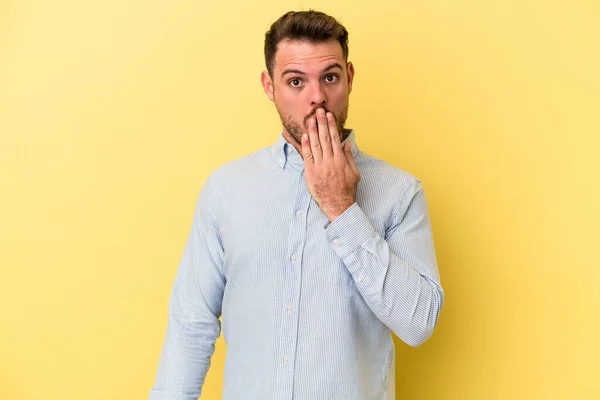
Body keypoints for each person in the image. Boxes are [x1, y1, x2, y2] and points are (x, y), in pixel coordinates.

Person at [149, 10, 444, 400]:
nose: (317, 96)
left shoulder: (399, 192)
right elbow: (191, 323)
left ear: (350, 78)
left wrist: (342, 209)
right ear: (269, 86)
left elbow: (419, 323)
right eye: (295, 81)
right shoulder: (226, 189)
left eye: (330, 77)